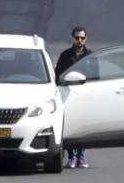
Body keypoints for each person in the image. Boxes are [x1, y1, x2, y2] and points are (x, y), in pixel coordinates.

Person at [55, 26, 94, 169]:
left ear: (86, 39)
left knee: (83, 127)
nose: (79, 40)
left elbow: (95, 76)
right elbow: (57, 75)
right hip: (69, 96)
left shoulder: (90, 56)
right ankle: (71, 157)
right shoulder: (65, 55)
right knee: (71, 126)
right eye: (77, 37)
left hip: (85, 97)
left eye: (82, 38)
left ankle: (81, 157)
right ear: (72, 38)